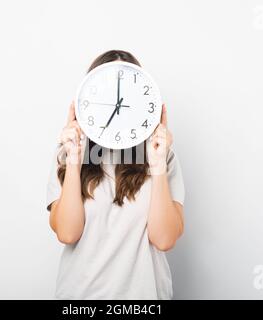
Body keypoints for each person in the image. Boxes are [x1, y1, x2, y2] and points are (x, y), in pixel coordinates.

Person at [46, 50, 185, 299]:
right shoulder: (69, 154)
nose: (117, 102)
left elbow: (164, 239)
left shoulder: (161, 155)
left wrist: (158, 166)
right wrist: (75, 160)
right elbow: (67, 233)